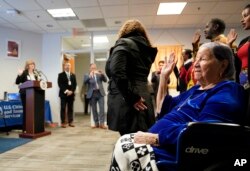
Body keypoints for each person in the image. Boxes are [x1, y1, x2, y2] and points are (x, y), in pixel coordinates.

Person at [109, 42, 246, 171]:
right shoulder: (196, 90)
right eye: (195, 59)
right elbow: (161, 108)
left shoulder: (227, 91)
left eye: (202, 59)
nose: (195, 64)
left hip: (178, 154)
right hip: (166, 145)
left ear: (223, 65)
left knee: (124, 148)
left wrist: (157, 138)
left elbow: (205, 132)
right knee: (124, 142)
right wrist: (164, 76)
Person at [105, 19, 158, 136]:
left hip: (128, 98)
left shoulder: (124, 43)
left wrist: (133, 97)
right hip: (143, 96)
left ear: (125, 31)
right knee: (140, 140)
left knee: (129, 141)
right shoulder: (147, 49)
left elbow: (116, 71)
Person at [187, 18, 241, 89]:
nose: (204, 30)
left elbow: (232, 68)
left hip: (222, 87)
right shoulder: (212, 44)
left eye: (207, 27)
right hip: (211, 85)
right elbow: (198, 62)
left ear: (215, 27)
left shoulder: (226, 42)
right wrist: (195, 47)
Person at [15, 59, 41, 132]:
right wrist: (19, 75)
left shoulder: (36, 73)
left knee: (34, 111)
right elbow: (17, 82)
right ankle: (25, 128)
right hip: (25, 94)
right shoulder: (24, 73)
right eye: (31, 64)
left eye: (33, 64)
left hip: (35, 94)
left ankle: (35, 127)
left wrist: (39, 80)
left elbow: (38, 83)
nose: (33, 65)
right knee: (27, 111)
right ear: (27, 66)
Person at [84, 63, 107, 129]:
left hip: (100, 93)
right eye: (92, 68)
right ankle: (96, 123)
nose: (93, 69)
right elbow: (84, 82)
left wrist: (102, 74)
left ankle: (102, 124)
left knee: (102, 108)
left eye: (94, 68)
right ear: (90, 68)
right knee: (94, 109)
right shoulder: (87, 75)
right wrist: (89, 76)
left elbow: (105, 80)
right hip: (92, 94)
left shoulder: (98, 74)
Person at [58, 62, 77, 128]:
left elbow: (75, 84)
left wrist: (71, 91)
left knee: (70, 108)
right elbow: (60, 84)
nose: (68, 67)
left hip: (71, 95)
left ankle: (70, 122)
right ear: (64, 67)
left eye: (69, 65)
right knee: (63, 108)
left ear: (70, 67)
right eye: (66, 65)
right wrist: (66, 91)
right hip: (63, 94)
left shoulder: (73, 75)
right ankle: (63, 122)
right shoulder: (60, 75)